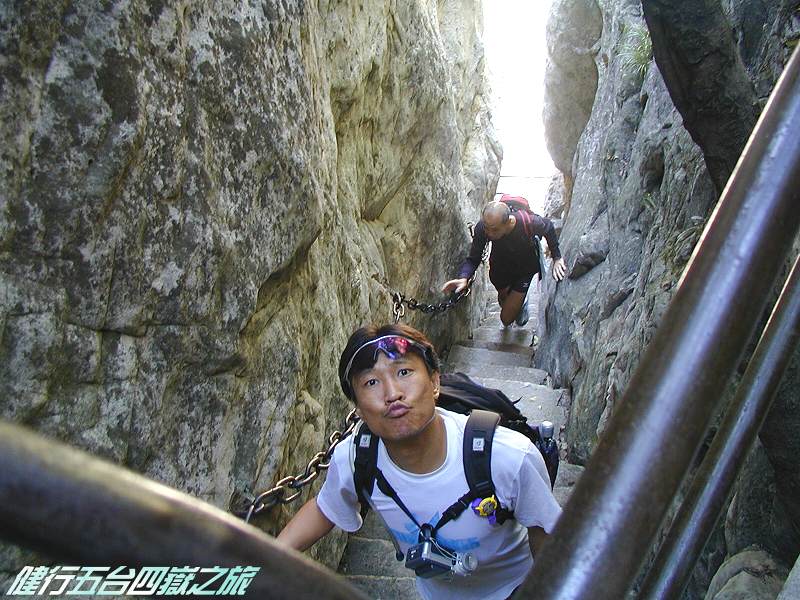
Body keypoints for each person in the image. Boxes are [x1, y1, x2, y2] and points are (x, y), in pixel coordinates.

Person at [277, 324, 561, 600]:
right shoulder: (357, 457)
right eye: (371, 382)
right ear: (358, 408)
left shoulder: (508, 456)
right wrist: (256, 567)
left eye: (403, 372)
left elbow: (546, 535)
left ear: (434, 382)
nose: (392, 394)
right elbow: (325, 509)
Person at [442, 199, 567, 327]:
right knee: (503, 300)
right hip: (500, 271)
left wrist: (557, 257)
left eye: (494, 230)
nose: (489, 233)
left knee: (506, 319)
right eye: (486, 228)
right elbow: (474, 258)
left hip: (524, 270)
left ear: (508, 222)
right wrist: (463, 278)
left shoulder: (529, 222)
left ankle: (522, 301)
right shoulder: (483, 228)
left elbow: (548, 227)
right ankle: (513, 300)